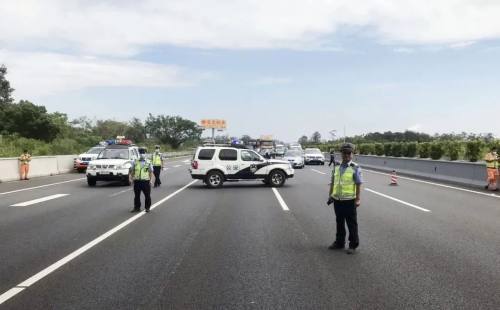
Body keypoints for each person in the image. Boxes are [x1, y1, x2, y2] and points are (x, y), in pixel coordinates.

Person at [327, 143, 363, 254]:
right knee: (339, 222)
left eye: (349, 153)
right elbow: (333, 182)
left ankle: (353, 245)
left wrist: (357, 199)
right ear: (341, 154)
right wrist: (330, 196)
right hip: (337, 200)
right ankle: (339, 242)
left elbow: (358, 184)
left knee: (351, 224)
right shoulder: (337, 166)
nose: (346, 155)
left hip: (349, 200)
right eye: (344, 153)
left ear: (352, 154)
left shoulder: (355, 167)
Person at [130, 148, 154, 213]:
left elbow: (150, 172)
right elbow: (132, 171)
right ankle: (137, 207)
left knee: (147, 196)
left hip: (146, 181)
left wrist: (151, 180)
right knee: (137, 196)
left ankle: (147, 207)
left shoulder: (148, 162)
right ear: (138, 154)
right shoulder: (135, 162)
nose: (142, 154)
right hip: (137, 181)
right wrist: (131, 179)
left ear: (145, 154)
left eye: (143, 153)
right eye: (140, 153)